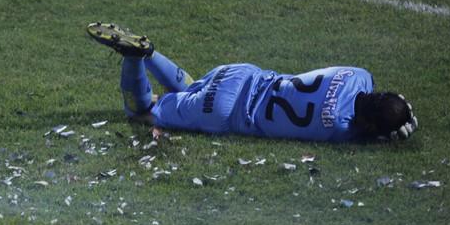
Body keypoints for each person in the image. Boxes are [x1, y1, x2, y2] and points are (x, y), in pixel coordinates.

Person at [86, 22, 417, 143]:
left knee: (190, 90)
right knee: (143, 113)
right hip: (227, 112)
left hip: (242, 74)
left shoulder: (356, 75)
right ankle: (132, 57)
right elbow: (365, 131)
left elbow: (374, 94)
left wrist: (394, 104)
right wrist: (387, 132)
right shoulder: (342, 129)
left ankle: (149, 52)